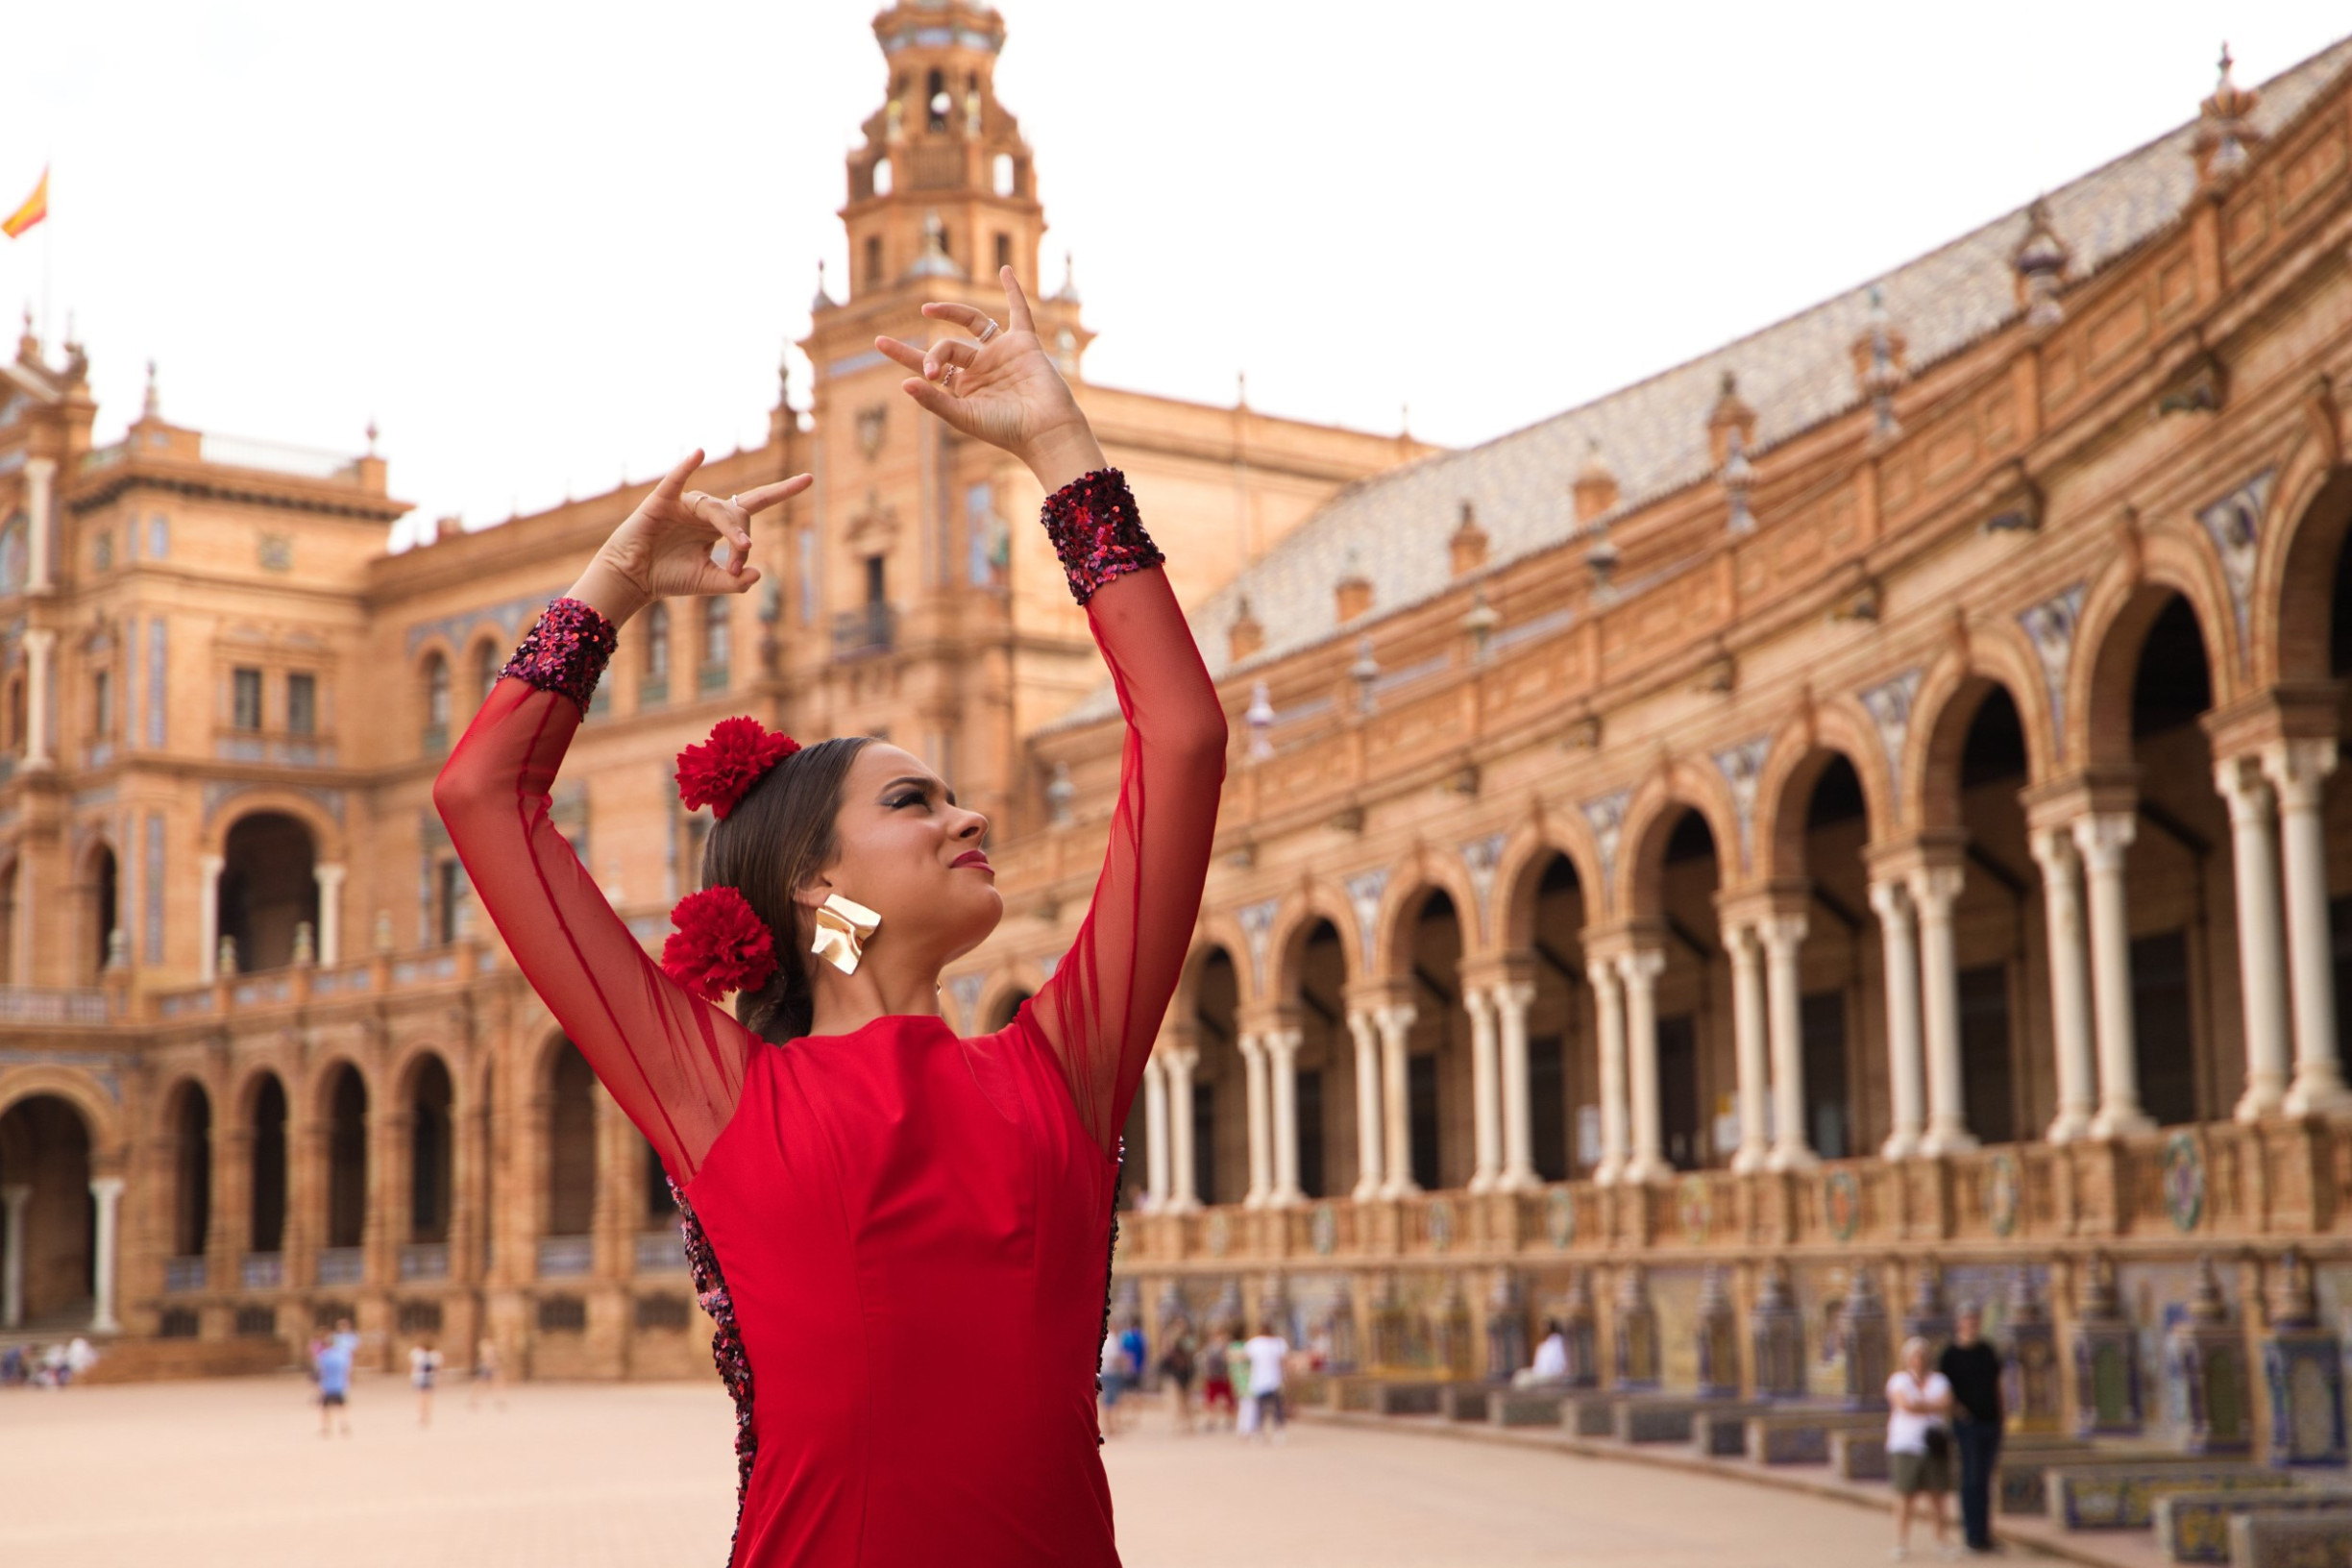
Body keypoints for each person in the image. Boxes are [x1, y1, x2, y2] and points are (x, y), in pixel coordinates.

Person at [433, 266, 1224, 1568]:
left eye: (955, 795)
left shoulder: (1059, 1067)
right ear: (815, 883)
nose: (969, 819)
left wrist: (1059, 446)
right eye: (918, 800)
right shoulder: (719, 1091)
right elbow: (482, 793)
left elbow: (1182, 740)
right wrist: (614, 586)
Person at [1939, 1306, 2004, 1556]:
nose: (1971, 1324)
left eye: (1975, 1320)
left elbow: (1997, 1385)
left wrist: (2001, 1417)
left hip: (1990, 1422)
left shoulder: (1987, 1351)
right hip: (1968, 1425)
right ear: (1959, 1323)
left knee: (1986, 1479)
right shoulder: (1950, 1354)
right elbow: (1944, 1388)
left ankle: (1984, 1534)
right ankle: (1971, 1535)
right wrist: (1957, 1412)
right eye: (1967, 1320)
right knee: (1971, 1478)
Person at [1886, 1335, 1955, 1560]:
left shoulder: (1940, 1380)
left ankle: (1942, 1542)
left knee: (1938, 1496)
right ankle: (1900, 1542)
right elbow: (1904, 1404)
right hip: (1905, 1444)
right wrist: (1930, 1406)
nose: (1919, 1359)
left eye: (1923, 1355)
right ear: (1907, 1358)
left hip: (1933, 1445)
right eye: (1915, 1355)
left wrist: (1919, 1405)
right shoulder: (1899, 1380)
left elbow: (1946, 1403)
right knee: (1905, 1496)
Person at [1242, 1321, 1288, 1443]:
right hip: (1273, 1380)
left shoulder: (1255, 1344)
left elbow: (1245, 1359)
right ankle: (1278, 1432)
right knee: (1276, 1408)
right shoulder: (1278, 1343)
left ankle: (1258, 1432)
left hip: (1260, 1381)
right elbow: (1283, 1362)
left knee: (1261, 1408)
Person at [315, 1317, 359, 1438]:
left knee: (325, 1408)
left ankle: (325, 1428)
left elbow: (320, 1370)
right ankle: (344, 1425)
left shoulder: (324, 1356)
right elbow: (347, 1369)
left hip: (327, 1385)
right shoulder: (343, 1355)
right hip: (340, 1384)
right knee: (342, 1406)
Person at [1158, 1320, 1197, 1433]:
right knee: (1175, 1399)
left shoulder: (1187, 1341)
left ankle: (1188, 1424)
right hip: (1173, 1373)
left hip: (1185, 1373)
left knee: (1186, 1400)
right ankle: (1177, 1424)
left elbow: (1191, 1351)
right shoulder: (1169, 1345)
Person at [1515, 1319, 1570, 1386]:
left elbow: (1561, 1363)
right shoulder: (1544, 1345)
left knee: (1525, 1380)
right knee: (1521, 1374)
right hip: (1541, 1373)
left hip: (1552, 1375)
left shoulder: (1558, 1342)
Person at [1097, 1330, 1130, 1436]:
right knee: (1113, 1400)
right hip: (1112, 1372)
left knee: (1106, 1399)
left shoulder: (1101, 1339)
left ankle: (1107, 1426)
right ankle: (1113, 1426)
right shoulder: (1112, 1340)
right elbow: (1115, 1357)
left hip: (1103, 1371)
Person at [410, 1338, 443, 1427]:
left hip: (423, 1377)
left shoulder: (421, 1355)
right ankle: (425, 1416)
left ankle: (424, 1416)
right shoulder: (434, 1355)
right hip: (427, 1377)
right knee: (426, 1398)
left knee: (423, 1397)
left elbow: (415, 1366)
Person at [468, 1336, 503, 1411]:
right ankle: (474, 1400)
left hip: (488, 1368)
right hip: (487, 1368)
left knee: (492, 1384)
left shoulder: (487, 1349)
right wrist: (493, 1366)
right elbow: (488, 1360)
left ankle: (498, 1399)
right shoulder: (487, 1350)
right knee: (481, 1385)